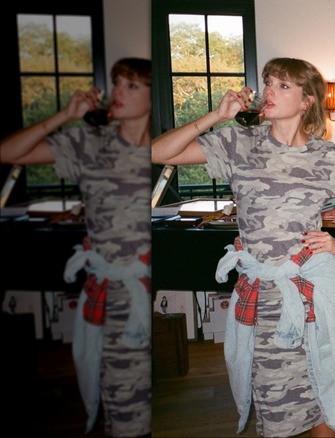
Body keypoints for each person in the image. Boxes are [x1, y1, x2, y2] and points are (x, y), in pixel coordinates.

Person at [151, 57, 335, 437]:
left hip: (312, 291)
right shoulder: (239, 143)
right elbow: (158, 153)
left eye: (283, 86)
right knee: (275, 403)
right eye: (269, 83)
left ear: (307, 100)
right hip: (265, 298)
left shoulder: (327, 156)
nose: (269, 91)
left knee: (325, 388)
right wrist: (216, 115)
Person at [0, 57, 153, 437]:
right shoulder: (88, 142)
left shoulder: (165, 146)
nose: (118, 92)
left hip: (149, 287)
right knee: (121, 406)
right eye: (116, 83)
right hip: (111, 293)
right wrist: (64, 116)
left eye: (131, 86)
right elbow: (8, 152)